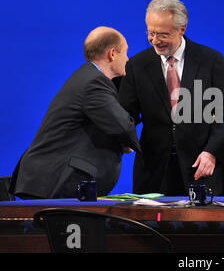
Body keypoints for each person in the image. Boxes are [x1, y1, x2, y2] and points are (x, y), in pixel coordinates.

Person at [118, 0, 224, 196]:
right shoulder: (137, 65)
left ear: (182, 29)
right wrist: (122, 140)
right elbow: (126, 113)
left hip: (201, 166)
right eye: (150, 33)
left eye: (162, 34)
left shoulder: (211, 60)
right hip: (154, 171)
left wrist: (211, 152)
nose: (154, 40)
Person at [10, 26, 141, 199]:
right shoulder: (94, 83)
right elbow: (122, 126)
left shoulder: (87, 76)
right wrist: (133, 144)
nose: (127, 58)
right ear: (112, 53)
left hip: (49, 178)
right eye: (125, 52)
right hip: (55, 179)